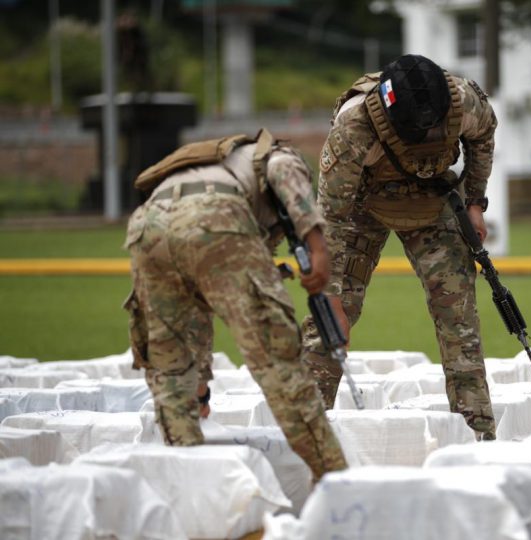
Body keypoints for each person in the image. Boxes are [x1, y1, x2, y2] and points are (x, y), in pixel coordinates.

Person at [123, 129, 348, 481]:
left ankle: (191, 486)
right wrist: (317, 248)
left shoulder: (211, 164)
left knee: (169, 365)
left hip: (147, 225)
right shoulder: (276, 154)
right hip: (216, 216)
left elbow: (198, 317)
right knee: (277, 364)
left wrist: (199, 388)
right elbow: (283, 174)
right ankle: (337, 480)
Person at [302, 54, 498, 440]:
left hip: (431, 199)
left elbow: (484, 136)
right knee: (326, 327)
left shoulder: (463, 102)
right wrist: (332, 299)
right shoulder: (355, 125)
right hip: (361, 204)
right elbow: (329, 221)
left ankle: (478, 437)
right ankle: (306, 437)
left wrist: (475, 204)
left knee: (459, 317)